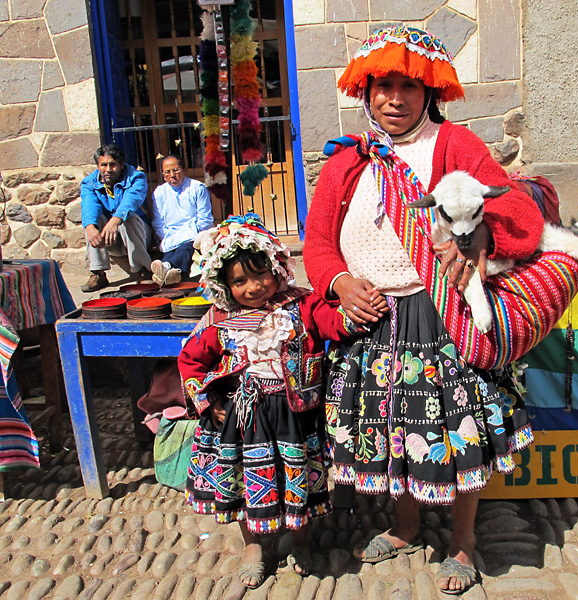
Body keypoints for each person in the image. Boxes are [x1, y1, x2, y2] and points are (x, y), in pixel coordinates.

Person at [304, 25, 553, 595]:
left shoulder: (453, 145)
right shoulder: (347, 163)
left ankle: (463, 543)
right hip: (371, 322)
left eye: (408, 87)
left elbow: (515, 210)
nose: (394, 98)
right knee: (395, 432)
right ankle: (405, 525)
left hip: (440, 315)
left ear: (430, 93)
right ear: (366, 91)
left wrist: (481, 236)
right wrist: (340, 283)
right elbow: (318, 242)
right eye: (383, 86)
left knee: (453, 431)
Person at [178, 214, 376, 589]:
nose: (253, 287)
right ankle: (253, 546)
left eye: (260, 275)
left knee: (293, 479)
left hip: (292, 417)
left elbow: (334, 324)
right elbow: (190, 361)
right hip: (243, 418)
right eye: (239, 281)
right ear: (224, 284)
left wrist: (360, 315)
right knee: (242, 481)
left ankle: (298, 539)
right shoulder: (219, 319)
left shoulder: (302, 306)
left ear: (277, 268)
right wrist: (210, 399)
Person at [80, 144, 153, 292]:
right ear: (98, 166)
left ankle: (142, 270)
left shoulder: (136, 177)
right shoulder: (89, 182)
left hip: (138, 235)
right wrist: (89, 227)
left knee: (128, 218)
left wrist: (115, 220)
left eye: (112, 165)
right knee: (93, 221)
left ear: (121, 165)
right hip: (109, 239)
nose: (108, 169)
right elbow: (89, 205)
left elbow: (131, 201)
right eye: (103, 165)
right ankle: (98, 273)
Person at [150, 154, 214, 285]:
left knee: (185, 248)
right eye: (167, 172)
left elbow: (205, 220)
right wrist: (168, 235)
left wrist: (189, 233)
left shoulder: (197, 188)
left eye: (176, 170)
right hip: (171, 234)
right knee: (170, 250)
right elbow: (158, 222)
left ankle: (166, 268)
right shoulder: (159, 192)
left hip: (193, 233)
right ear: (163, 175)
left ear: (184, 170)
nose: (172, 175)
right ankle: (170, 270)